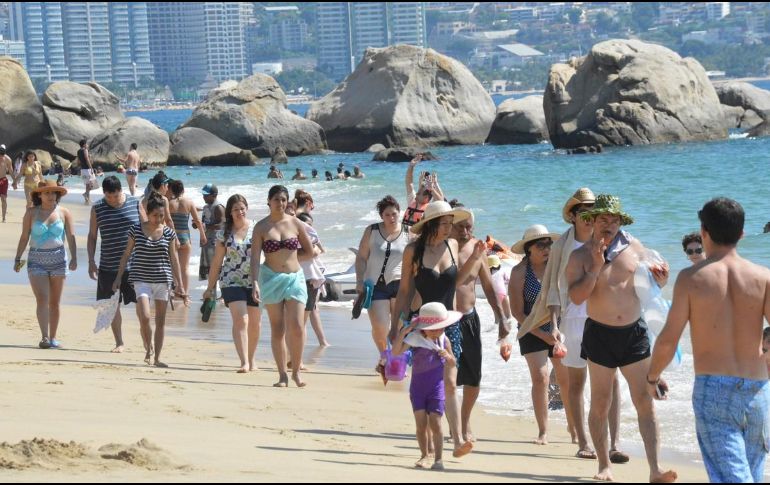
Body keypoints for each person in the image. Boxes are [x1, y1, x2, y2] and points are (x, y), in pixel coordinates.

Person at [648, 197, 769, 483]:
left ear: (703, 231)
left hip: (714, 388)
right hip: (758, 387)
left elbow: (668, 338)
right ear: (742, 233)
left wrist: (652, 377)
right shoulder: (763, 277)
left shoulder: (692, 278)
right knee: (750, 473)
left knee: (733, 479)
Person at [566, 194, 676, 483]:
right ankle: (603, 465)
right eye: (604, 219)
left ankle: (655, 469)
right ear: (591, 221)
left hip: (633, 333)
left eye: (615, 220)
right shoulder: (579, 256)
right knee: (600, 402)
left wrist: (661, 280)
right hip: (600, 334)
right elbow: (576, 296)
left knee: (645, 401)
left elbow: (652, 287)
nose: (610, 225)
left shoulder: (635, 247)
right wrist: (596, 265)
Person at [518, 188, 626, 461]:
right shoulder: (562, 246)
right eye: (583, 211)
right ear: (573, 216)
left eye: (593, 211)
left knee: (610, 381)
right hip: (573, 317)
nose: (589, 216)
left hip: (603, 314)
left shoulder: (607, 239)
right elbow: (553, 288)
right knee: (576, 382)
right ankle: (583, 441)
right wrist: (553, 324)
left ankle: (614, 443)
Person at [390, 200, 475, 458]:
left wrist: (477, 259)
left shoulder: (452, 245)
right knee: (428, 381)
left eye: (452, 223)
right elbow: (405, 291)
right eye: (446, 223)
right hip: (424, 327)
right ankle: (427, 438)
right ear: (431, 225)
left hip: (449, 323)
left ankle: (458, 438)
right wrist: (396, 326)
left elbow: (455, 282)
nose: (451, 228)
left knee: (450, 381)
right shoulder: (413, 252)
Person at [507, 224, 574, 446]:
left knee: (566, 380)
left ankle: (573, 428)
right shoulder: (519, 272)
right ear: (529, 249)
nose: (546, 249)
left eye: (548, 244)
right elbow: (517, 312)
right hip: (530, 329)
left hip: (557, 328)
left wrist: (557, 331)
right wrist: (542, 335)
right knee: (541, 377)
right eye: (540, 245)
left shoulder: (556, 268)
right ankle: (543, 431)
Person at [250, 185, 315, 387]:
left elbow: (310, 251)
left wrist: (293, 258)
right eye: (277, 199)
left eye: (284, 200)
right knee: (278, 329)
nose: (280, 203)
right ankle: (282, 375)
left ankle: (296, 371)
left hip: (294, 278)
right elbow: (254, 258)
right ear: (269, 201)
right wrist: (254, 282)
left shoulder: (296, 224)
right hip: (270, 279)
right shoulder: (261, 227)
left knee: (296, 327)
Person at [450, 206, 505, 443]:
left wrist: (501, 317)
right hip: (444, 320)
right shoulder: (442, 248)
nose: (464, 230)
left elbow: (488, 285)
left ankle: (465, 421)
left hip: (469, 318)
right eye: (460, 226)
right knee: (447, 376)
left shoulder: (477, 249)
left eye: (468, 226)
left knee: (473, 376)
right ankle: (453, 424)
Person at [114, 192, 186, 368]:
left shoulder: (169, 233)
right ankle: (148, 347)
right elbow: (126, 254)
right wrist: (118, 277)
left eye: (162, 215)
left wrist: (181, 285)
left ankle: (157, 357)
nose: (159, 219)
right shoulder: (136, 230)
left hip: (163, 280)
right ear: (147, 213)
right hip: (141, 279)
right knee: (145, 317)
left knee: (160, 321)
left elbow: (175, 259)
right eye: (155, 215)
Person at [392, 302, 461, 471]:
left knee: (436, 423)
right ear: (423, 328)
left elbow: (453, 363)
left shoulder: (444, 340)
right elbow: (395, 352)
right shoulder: (415, 339)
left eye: (441, 327)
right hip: (417, 388)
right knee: (421, 425)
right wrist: (404, 332)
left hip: (436, 388)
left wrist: (448, 357)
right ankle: (424, 455)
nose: (438, 331)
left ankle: (438, 459)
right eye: (434, 328)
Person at [14, 180, 77, 349]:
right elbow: (24, 237)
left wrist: (74, 257)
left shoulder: (64, 212)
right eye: (47, 192)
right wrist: (18, 258)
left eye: (53, 192)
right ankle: (44, 337)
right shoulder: (31, 213)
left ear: (58, 195)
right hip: (36, 260)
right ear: (39, 195)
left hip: (58, 260)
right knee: (42, 298)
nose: (51, 196)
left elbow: (71, 237)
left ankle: (54, 337)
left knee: (55, 302)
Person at [203, 194, 261, 373]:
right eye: (235, 209)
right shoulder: (224, 233)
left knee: (255, 323)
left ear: (247, 208)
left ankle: (251, 360)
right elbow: (217, 262)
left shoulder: (257, 229)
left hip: (254, 281)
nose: (239, 212)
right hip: (230, 280)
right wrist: (210, 288)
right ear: (230, 212)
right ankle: (243, 361)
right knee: (241, 320)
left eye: (242, 208)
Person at [88, 176, 145, 353]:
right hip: (108, 265)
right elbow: (92, 236)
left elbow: (146, 229)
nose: (112, 200)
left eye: (115, 196)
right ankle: (119, 342)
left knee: (142, 305)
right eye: (108, 196)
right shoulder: (97, 208)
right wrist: (91, 261)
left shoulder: (135, 203)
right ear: (104, 193)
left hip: (134, 265)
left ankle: (146, 341)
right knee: (112, 306)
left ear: (121, 190)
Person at [355, 195, 409, 373]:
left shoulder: (409, 232)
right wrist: (359, 281)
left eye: (394, 214)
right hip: (375, 285)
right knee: (380, 325)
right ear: (381, 216)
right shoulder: (372, 231)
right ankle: (384, 355)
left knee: (399, 328)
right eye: (387, 215)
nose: (392, 218)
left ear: (399, 213)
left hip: (400, 285)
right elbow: (362, 257)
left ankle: (397, 361)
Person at [168, 180, 206, 299]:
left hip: (173, 237)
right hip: (185, 237)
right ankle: (186, 293)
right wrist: (203, 235)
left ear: (172, 190)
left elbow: (167, 221)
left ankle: (177, 291)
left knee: (174, 266)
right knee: (185, 267)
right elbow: (197, 221)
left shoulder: (169, 203)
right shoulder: (189, 202)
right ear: (183, 190)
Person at [297, 212, 329, 348]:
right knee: (295, 322)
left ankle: (297, 358)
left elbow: (319, 251)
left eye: (311, 226)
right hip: (295, 280)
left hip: (310, 281)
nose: (309, 229)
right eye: (306, 225)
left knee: (302, 322)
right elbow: (295, 257)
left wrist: (314, 249)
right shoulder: (293, 241)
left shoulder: (312, 242)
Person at [403, 155, 443, 230]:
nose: (416, 195)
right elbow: (409, 183)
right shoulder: (412, 201)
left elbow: (441, 202)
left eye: (418, 193)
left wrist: (433, 188)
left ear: (426, 197)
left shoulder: (429, 209)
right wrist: (411, 166)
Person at [199, 184, 226, 288]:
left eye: (206, 195)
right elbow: (204, 222)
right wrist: (197, 225)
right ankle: (211, 291)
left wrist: (207, 226)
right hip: (207, 241)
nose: (204, 197)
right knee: (209, 269)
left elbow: (222, 224)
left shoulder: (218, 207)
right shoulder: (206, 207)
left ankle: (222, 293)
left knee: (216, 267)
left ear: (214, 195)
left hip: (216, 242)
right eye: (203, 195)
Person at [77, 139, 96, 205]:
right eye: (87, 144)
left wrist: (79, 169)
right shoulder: (85, 150)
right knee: (93, 184)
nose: (87, 145)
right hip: (87, 169)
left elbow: (78, 161)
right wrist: (91, 168)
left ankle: (87, 199)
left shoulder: (78, 151)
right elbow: (87, 159)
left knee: (87, 185)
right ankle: (85, 194)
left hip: (83, 169)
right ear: (84, 144)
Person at [0, 144, 12, 222]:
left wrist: (15, 180)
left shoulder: (7, 159)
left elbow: (11, 170)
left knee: (3, 199)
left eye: (2, 152)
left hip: (3, 180)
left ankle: (4, 217)